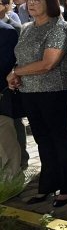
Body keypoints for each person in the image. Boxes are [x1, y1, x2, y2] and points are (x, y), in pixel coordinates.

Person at [7, 0, 67, 207]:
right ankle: (47, 184)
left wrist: (16, 72)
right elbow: (22, 58)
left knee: (60, 138)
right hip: (29, 92)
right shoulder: (27, 28)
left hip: (55, 91)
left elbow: (48, 63)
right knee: (42, 139)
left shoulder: (60, 27)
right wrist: (17, 75)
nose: (31, 3)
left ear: (49, 2)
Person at [0, 12, 21, 184]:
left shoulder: (7, 31)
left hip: (2, 93)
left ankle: (12, 179)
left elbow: (6, 64)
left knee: (6, 139)